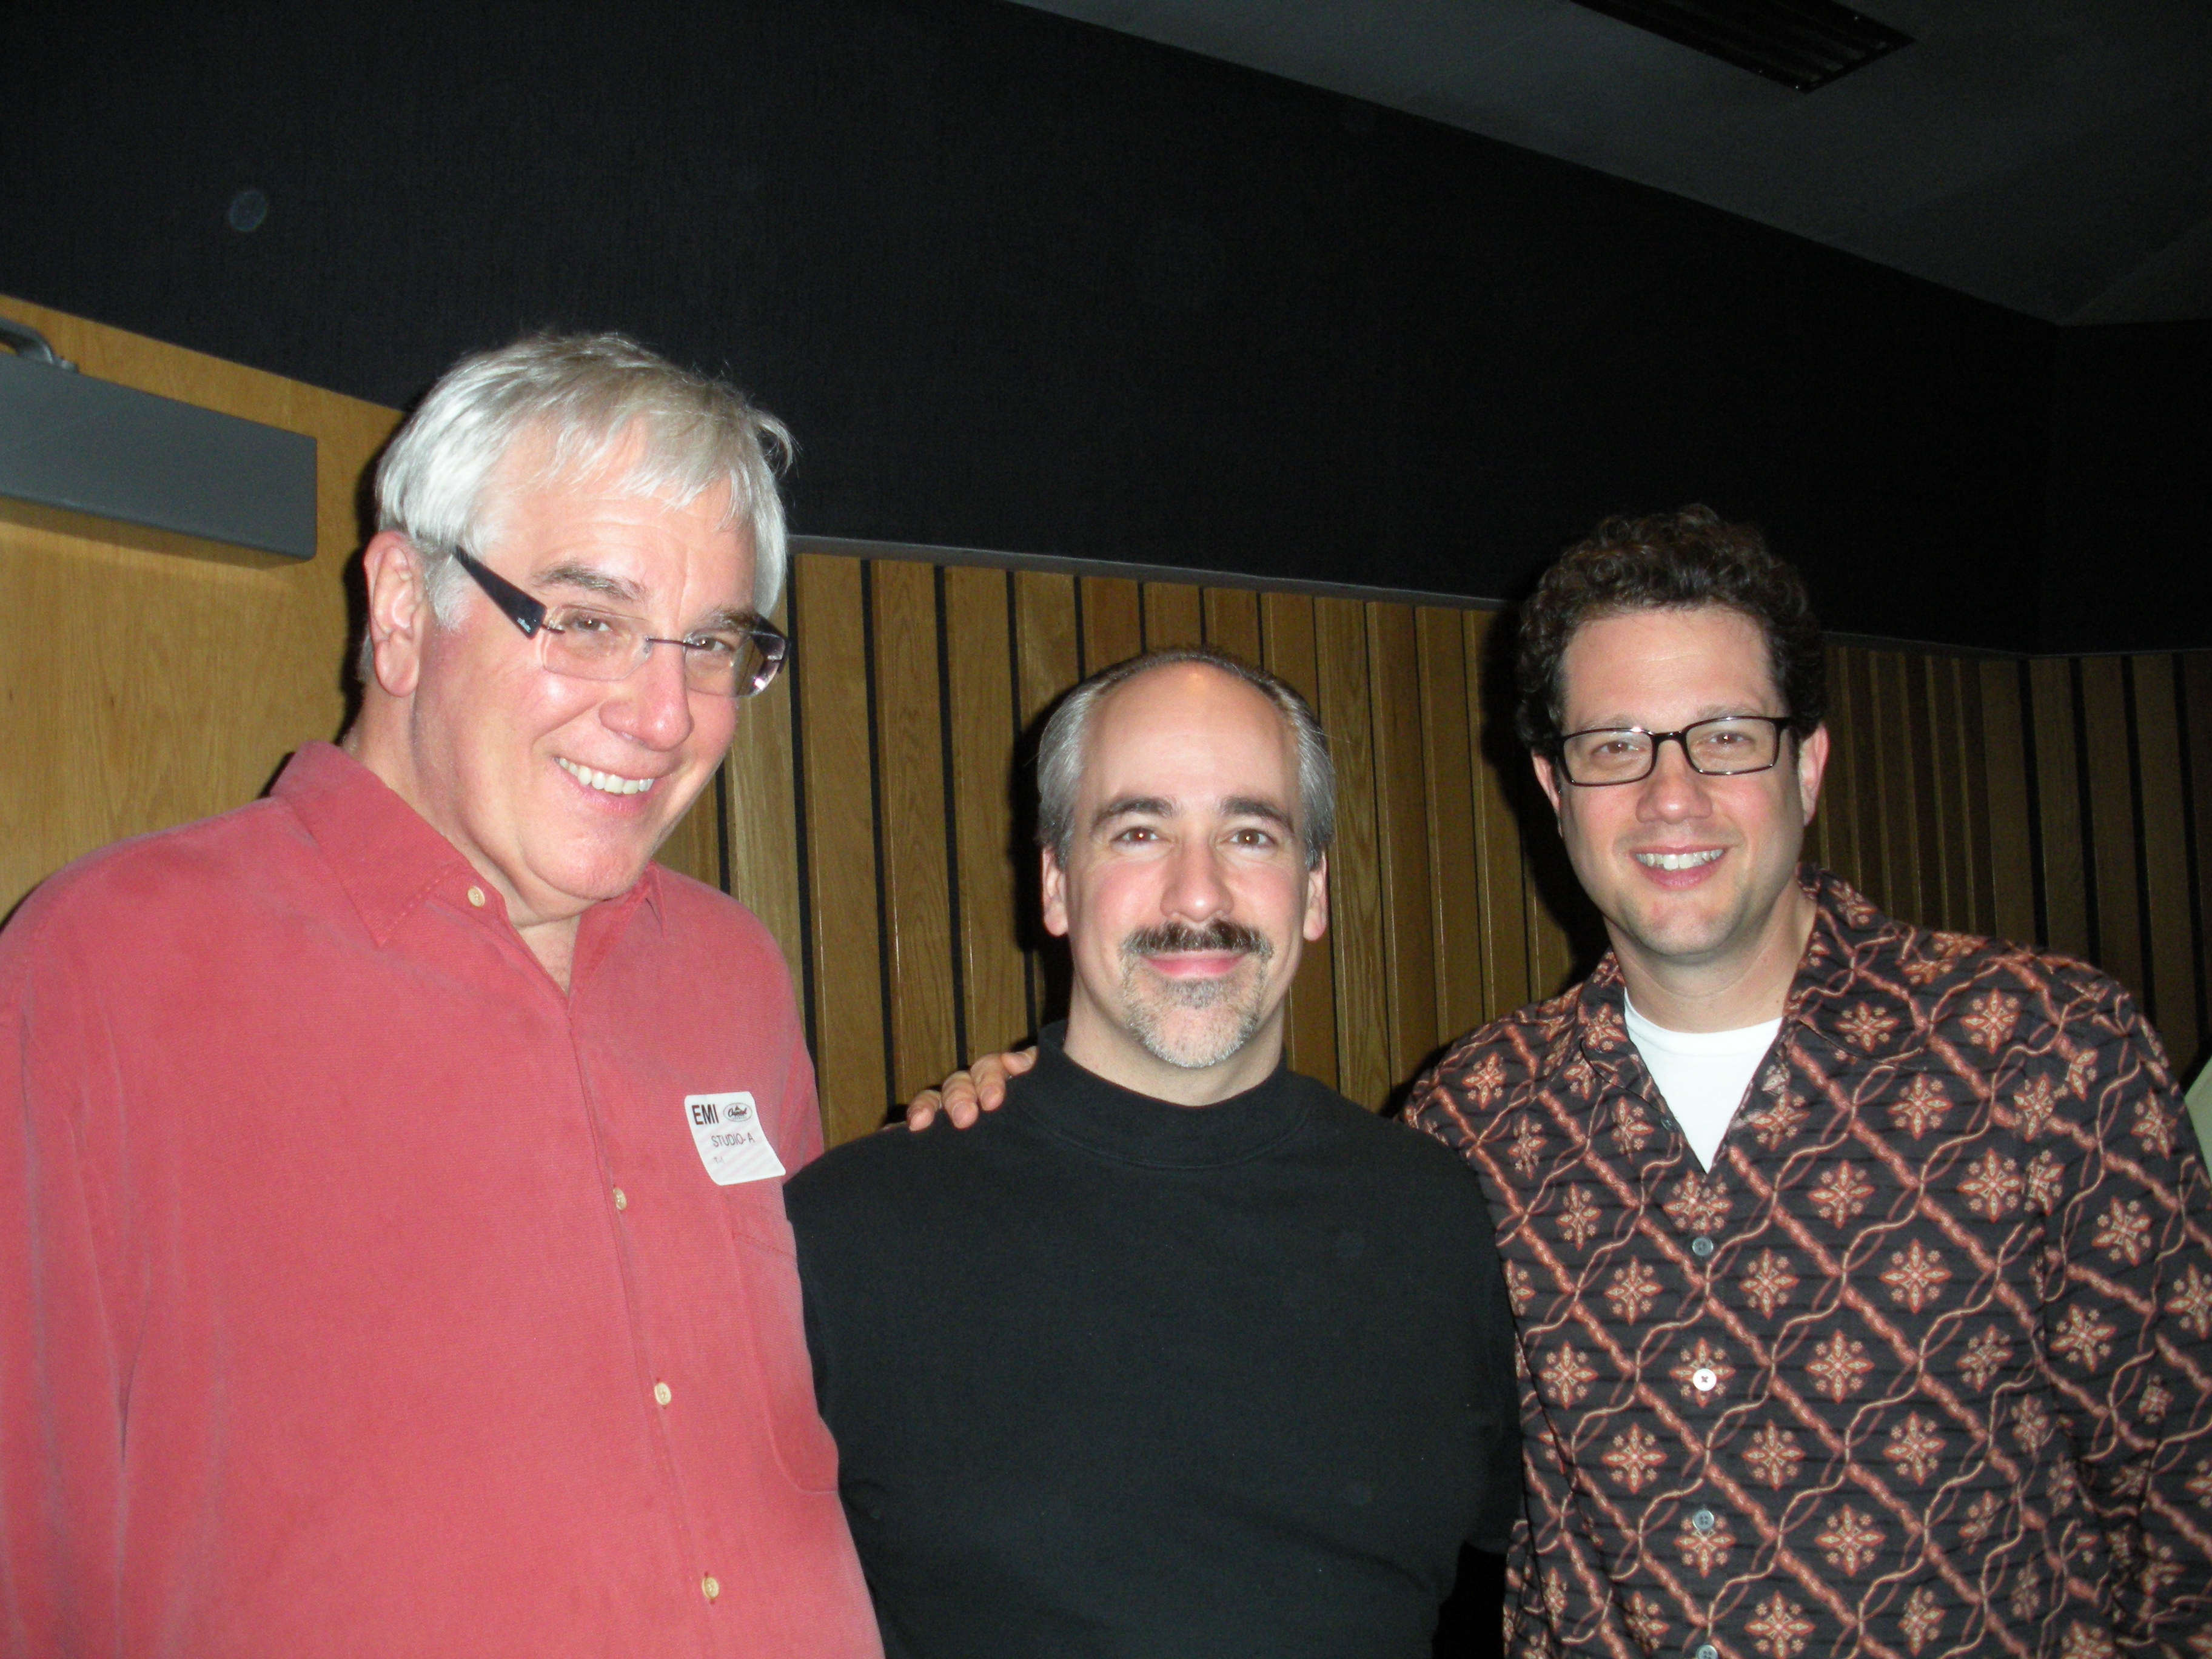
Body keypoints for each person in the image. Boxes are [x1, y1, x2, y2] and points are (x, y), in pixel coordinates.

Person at [915, 509, 2212, 1656]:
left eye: (1724, 737)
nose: (1671, 797)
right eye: (1615, 747)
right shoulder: (1471, 1128)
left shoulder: (2045, 1055)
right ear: (1552, 786)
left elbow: (2191, 1505)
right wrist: (1030, 1109)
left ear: (1807, 764)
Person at [0, 334, 880, 1655]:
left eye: (711, 645)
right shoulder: (107, 966)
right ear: (404, 607)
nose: (662, 713)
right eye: (588, 621)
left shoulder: (732, 972)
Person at [786, 648, 1523, 1658]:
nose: (1198, 895)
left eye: (1250, 833)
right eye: (1140, 830)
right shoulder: (851, 1234)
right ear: (1055, 883)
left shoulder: (1443, 1219)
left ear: (1313, 891)